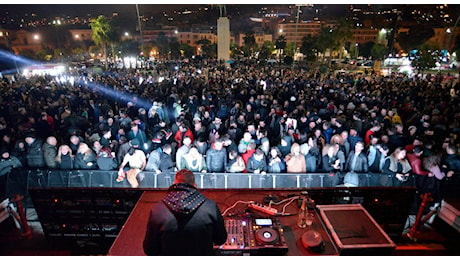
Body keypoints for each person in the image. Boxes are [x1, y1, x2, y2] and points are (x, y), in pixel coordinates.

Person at [143, 169, 227, 255]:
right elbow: (220, 239)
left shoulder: (158, 210)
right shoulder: (210, 207)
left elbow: (149, 249)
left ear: (174, 184)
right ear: (195, 185)